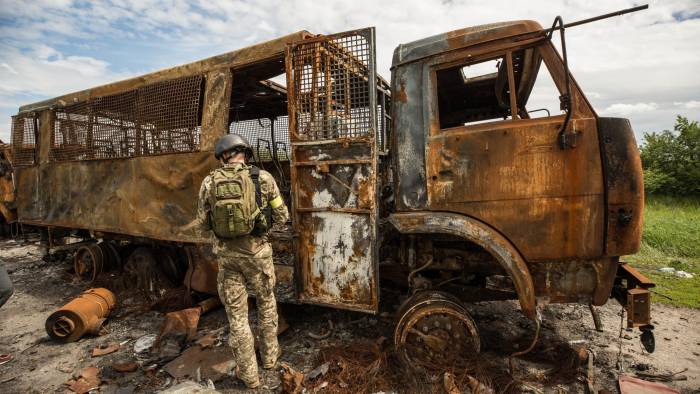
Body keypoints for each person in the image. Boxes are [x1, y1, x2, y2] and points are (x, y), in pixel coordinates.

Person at [193, 134, 289, 388]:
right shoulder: (263, 178)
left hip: (228, 259)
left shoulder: (209, 182)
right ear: (244, 153)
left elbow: (202, 225)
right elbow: (283, 215)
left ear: (223, 156)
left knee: (238, 317)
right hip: (258, 257)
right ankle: (269, 359)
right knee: (266, 306)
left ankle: (249, 376)